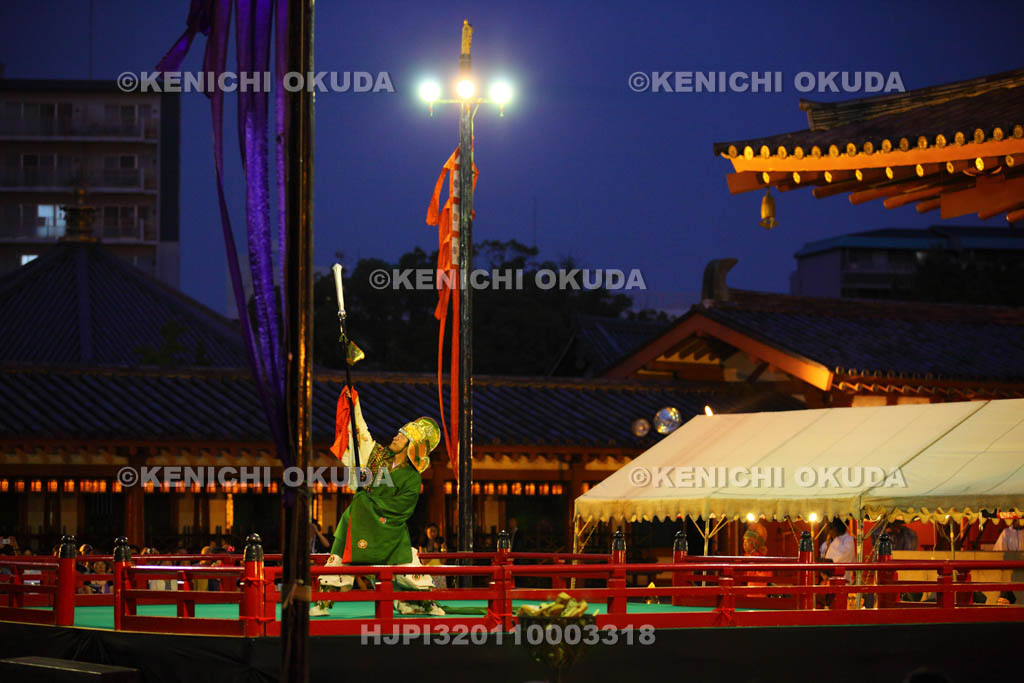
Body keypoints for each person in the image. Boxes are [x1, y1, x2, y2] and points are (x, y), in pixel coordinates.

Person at [310, 388, 443, 617]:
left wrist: (367, 505)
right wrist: (354, 406)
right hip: (359, 520)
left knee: (407, 563)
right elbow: (361, 433)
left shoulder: (412, 478)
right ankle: (324, 602)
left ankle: (426, 601)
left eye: (401, 436)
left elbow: (402, 509)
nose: (395, 436)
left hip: (387, 527)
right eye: (398, 433)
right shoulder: (378, 456)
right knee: (338, 556)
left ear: (410, 446)